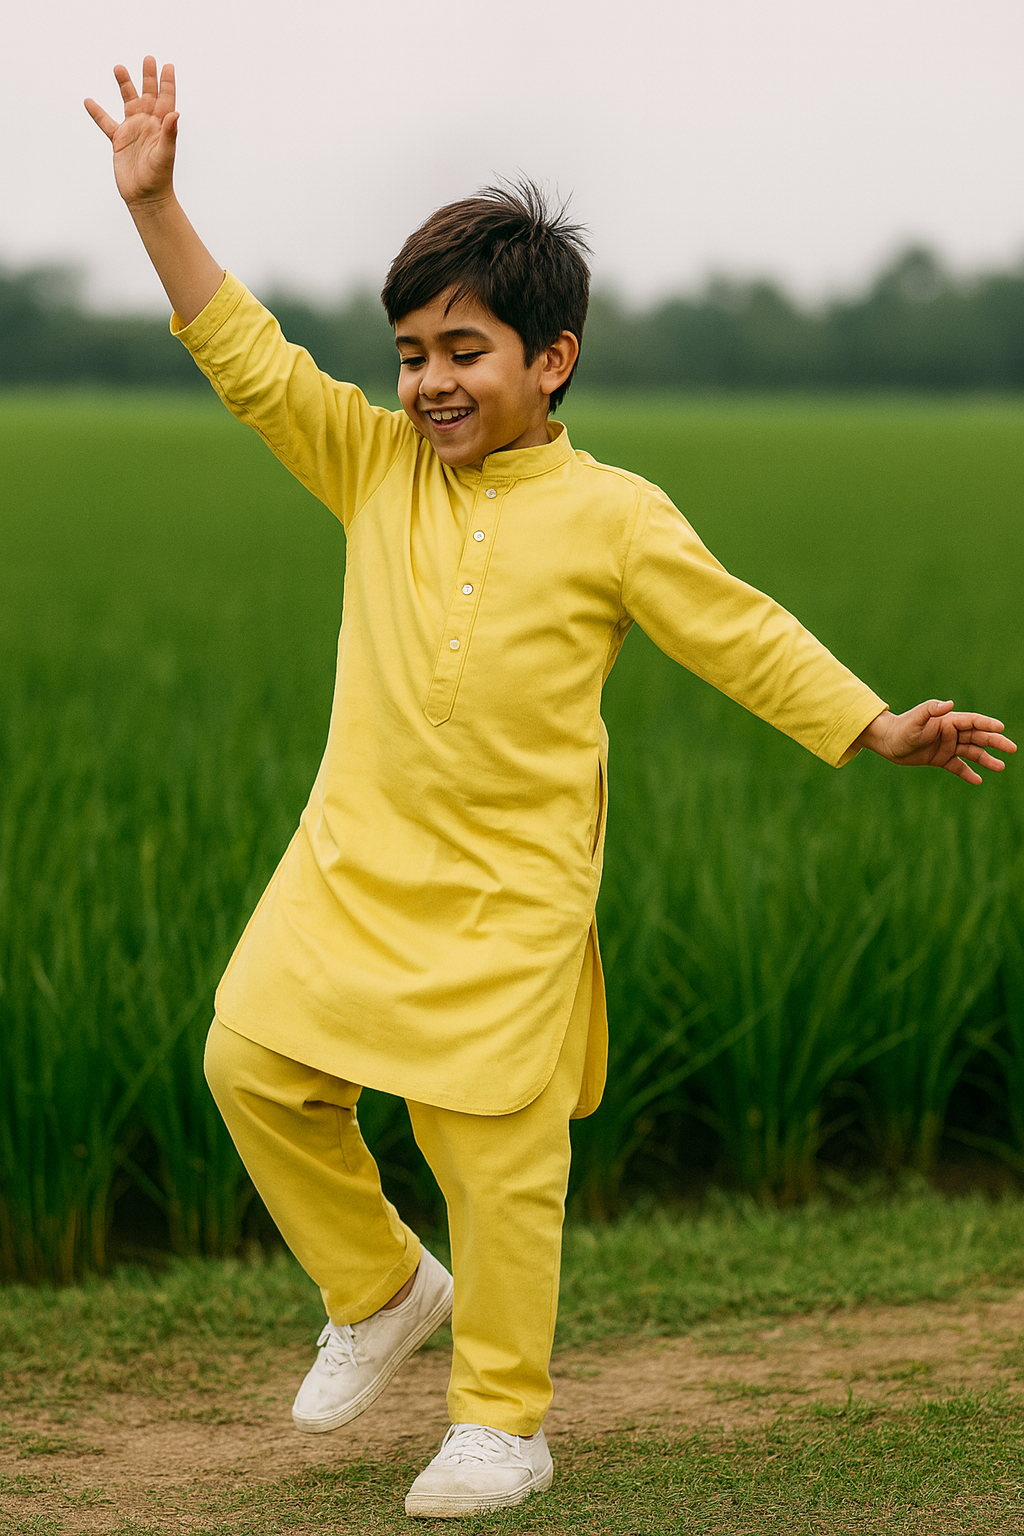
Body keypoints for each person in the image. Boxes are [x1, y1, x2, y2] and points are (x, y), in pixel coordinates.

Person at [86, 57, 1015, 1521]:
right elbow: (248, 355)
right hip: (351, 863)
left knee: (496, 1153)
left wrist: (869, 727)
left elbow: (741, 629)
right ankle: (382, 1286)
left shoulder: (613, 516)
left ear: (551, 360)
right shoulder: (373, 466)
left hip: (514, 893)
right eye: (411, 352)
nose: (430, 382)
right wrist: (158, 207)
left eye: (464, 349)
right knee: (250, 1066)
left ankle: (503, 1427)